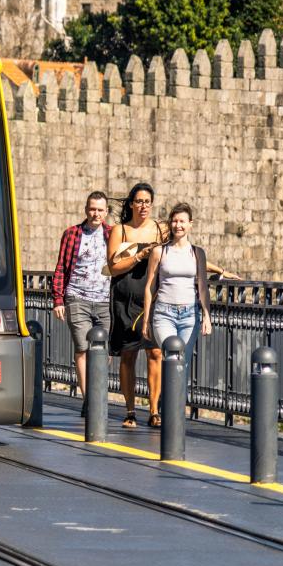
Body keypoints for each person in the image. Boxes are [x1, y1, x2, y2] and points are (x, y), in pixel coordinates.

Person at [141, 203, 238, 370]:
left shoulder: (197, 253)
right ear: (170, 223)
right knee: (171, 359)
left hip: (189, 315)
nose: (178, 225)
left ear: (190, 224)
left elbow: (202, 288)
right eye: (175, 221)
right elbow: (149, 287)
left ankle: (176, 397)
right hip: (164, 314)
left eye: (182, 221)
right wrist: (146, 320)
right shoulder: (159, 252)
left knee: (182, 366)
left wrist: (207, 316)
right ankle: (169, 396)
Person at [107, 182, 168, 428]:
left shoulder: (161, 229)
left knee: (155, 351)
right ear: (131, 203)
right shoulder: (119, 230)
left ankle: (154, 410)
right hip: (125, 298)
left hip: (152, 297)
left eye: (147, 202)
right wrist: (139, 256)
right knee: (128, 354)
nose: (143, 206)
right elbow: (112, 267)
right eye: (139, 201)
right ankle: (130, 410)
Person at [51, 191, 113, 401]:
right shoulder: (72, 234)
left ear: (106, 212)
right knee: (83, 347)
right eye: (92, 209)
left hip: (105, 300)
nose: (96, 214)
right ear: (86, 209)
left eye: (100, 210)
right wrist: (58, 299)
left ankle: (98, 394)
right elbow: (61, 267)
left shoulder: (113, 234)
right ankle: (88, 399)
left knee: (103, 351)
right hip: (77, 297)